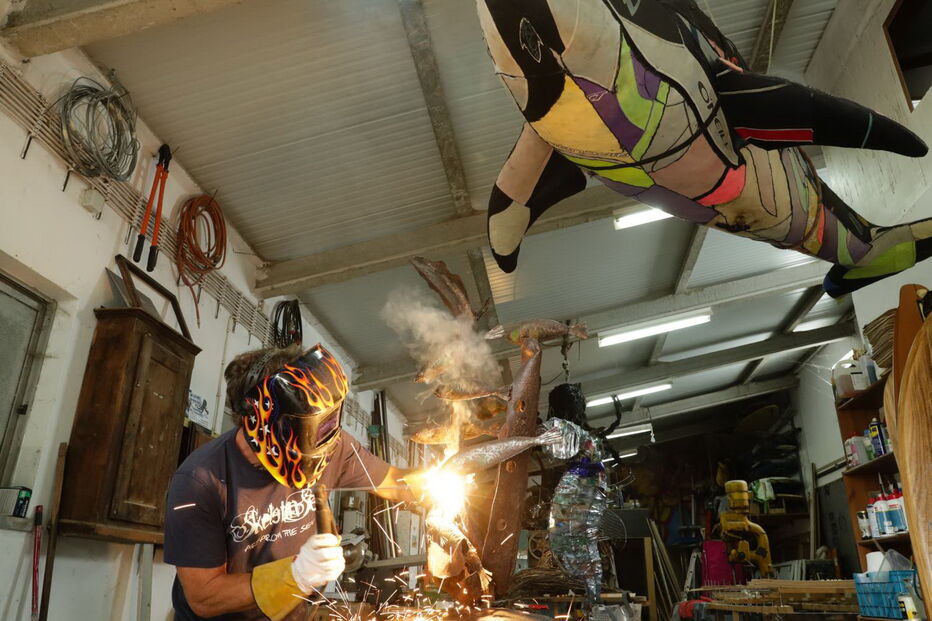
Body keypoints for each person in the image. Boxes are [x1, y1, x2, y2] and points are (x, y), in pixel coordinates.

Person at [164, 343, 416, 620]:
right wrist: (295, 574)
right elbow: (204, 597)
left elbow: (393, 481)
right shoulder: (199, 481)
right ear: (262, 419)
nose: (325, 440)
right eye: (308, 426)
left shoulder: (335, 447)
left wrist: (440, 489)